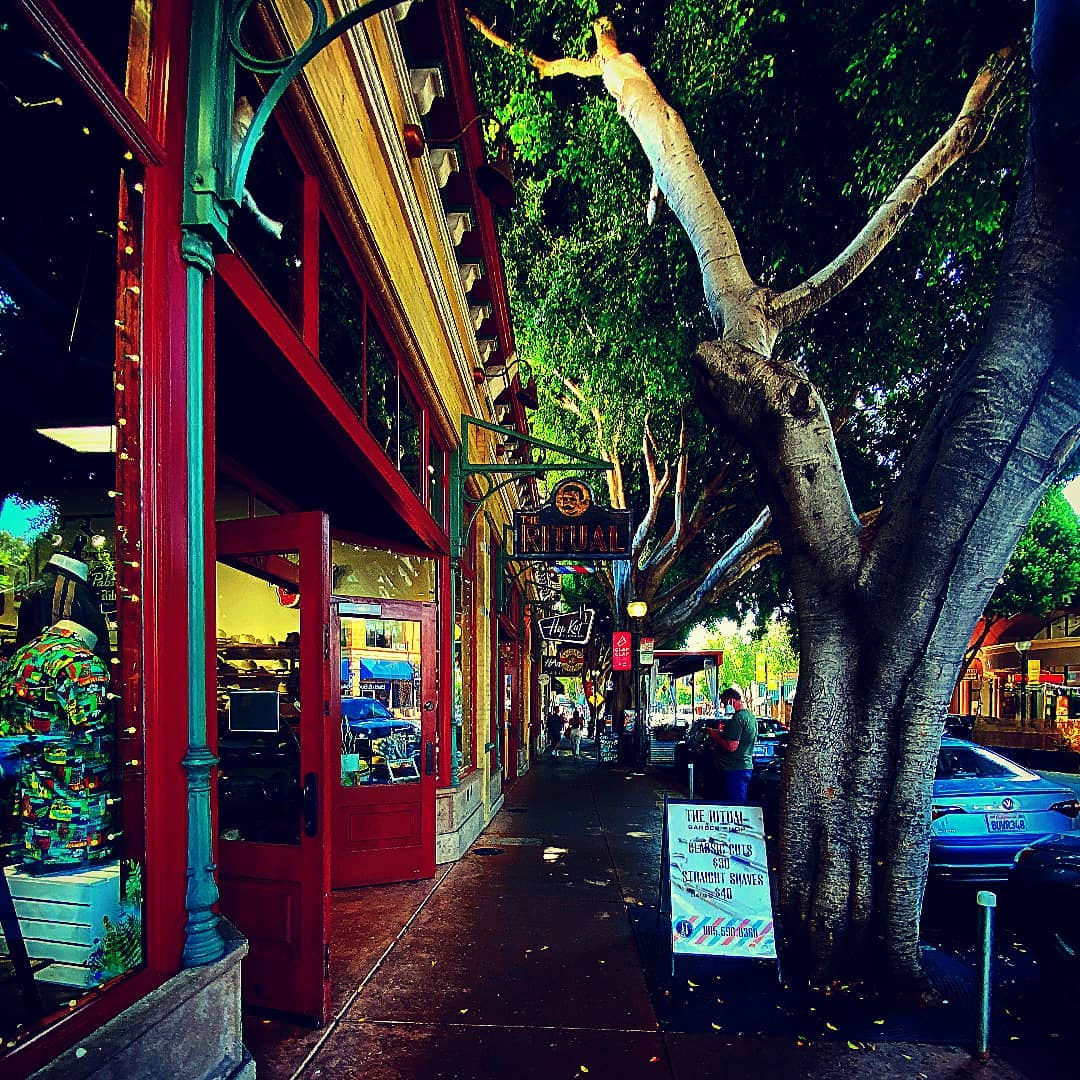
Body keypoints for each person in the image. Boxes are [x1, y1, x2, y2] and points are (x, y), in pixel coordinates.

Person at [703, 687, 757, 804]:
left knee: (735, 805)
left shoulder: (738, 718)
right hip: (743, 766)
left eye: (724, 702)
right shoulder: (750, 716)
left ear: (731, 700)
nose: (723, 706)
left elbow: (731, 745)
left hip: (734, 768)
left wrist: (716, 735)